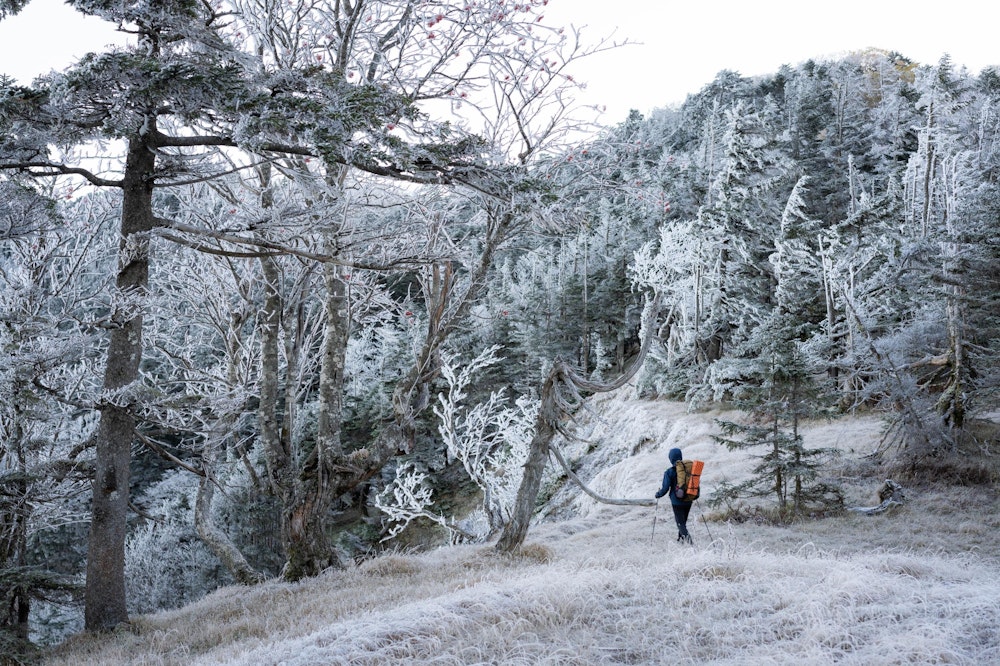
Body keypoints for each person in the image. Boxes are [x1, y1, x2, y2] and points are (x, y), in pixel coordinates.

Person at [654, 447, 693, 544]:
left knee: (680, 524)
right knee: (683, 522)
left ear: (670, 458)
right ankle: (680, 542)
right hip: (689, 499)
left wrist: (658, 494)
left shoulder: (669, 472)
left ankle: (691, 544)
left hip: (677, 501)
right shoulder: (688, 469)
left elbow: (665, 488)